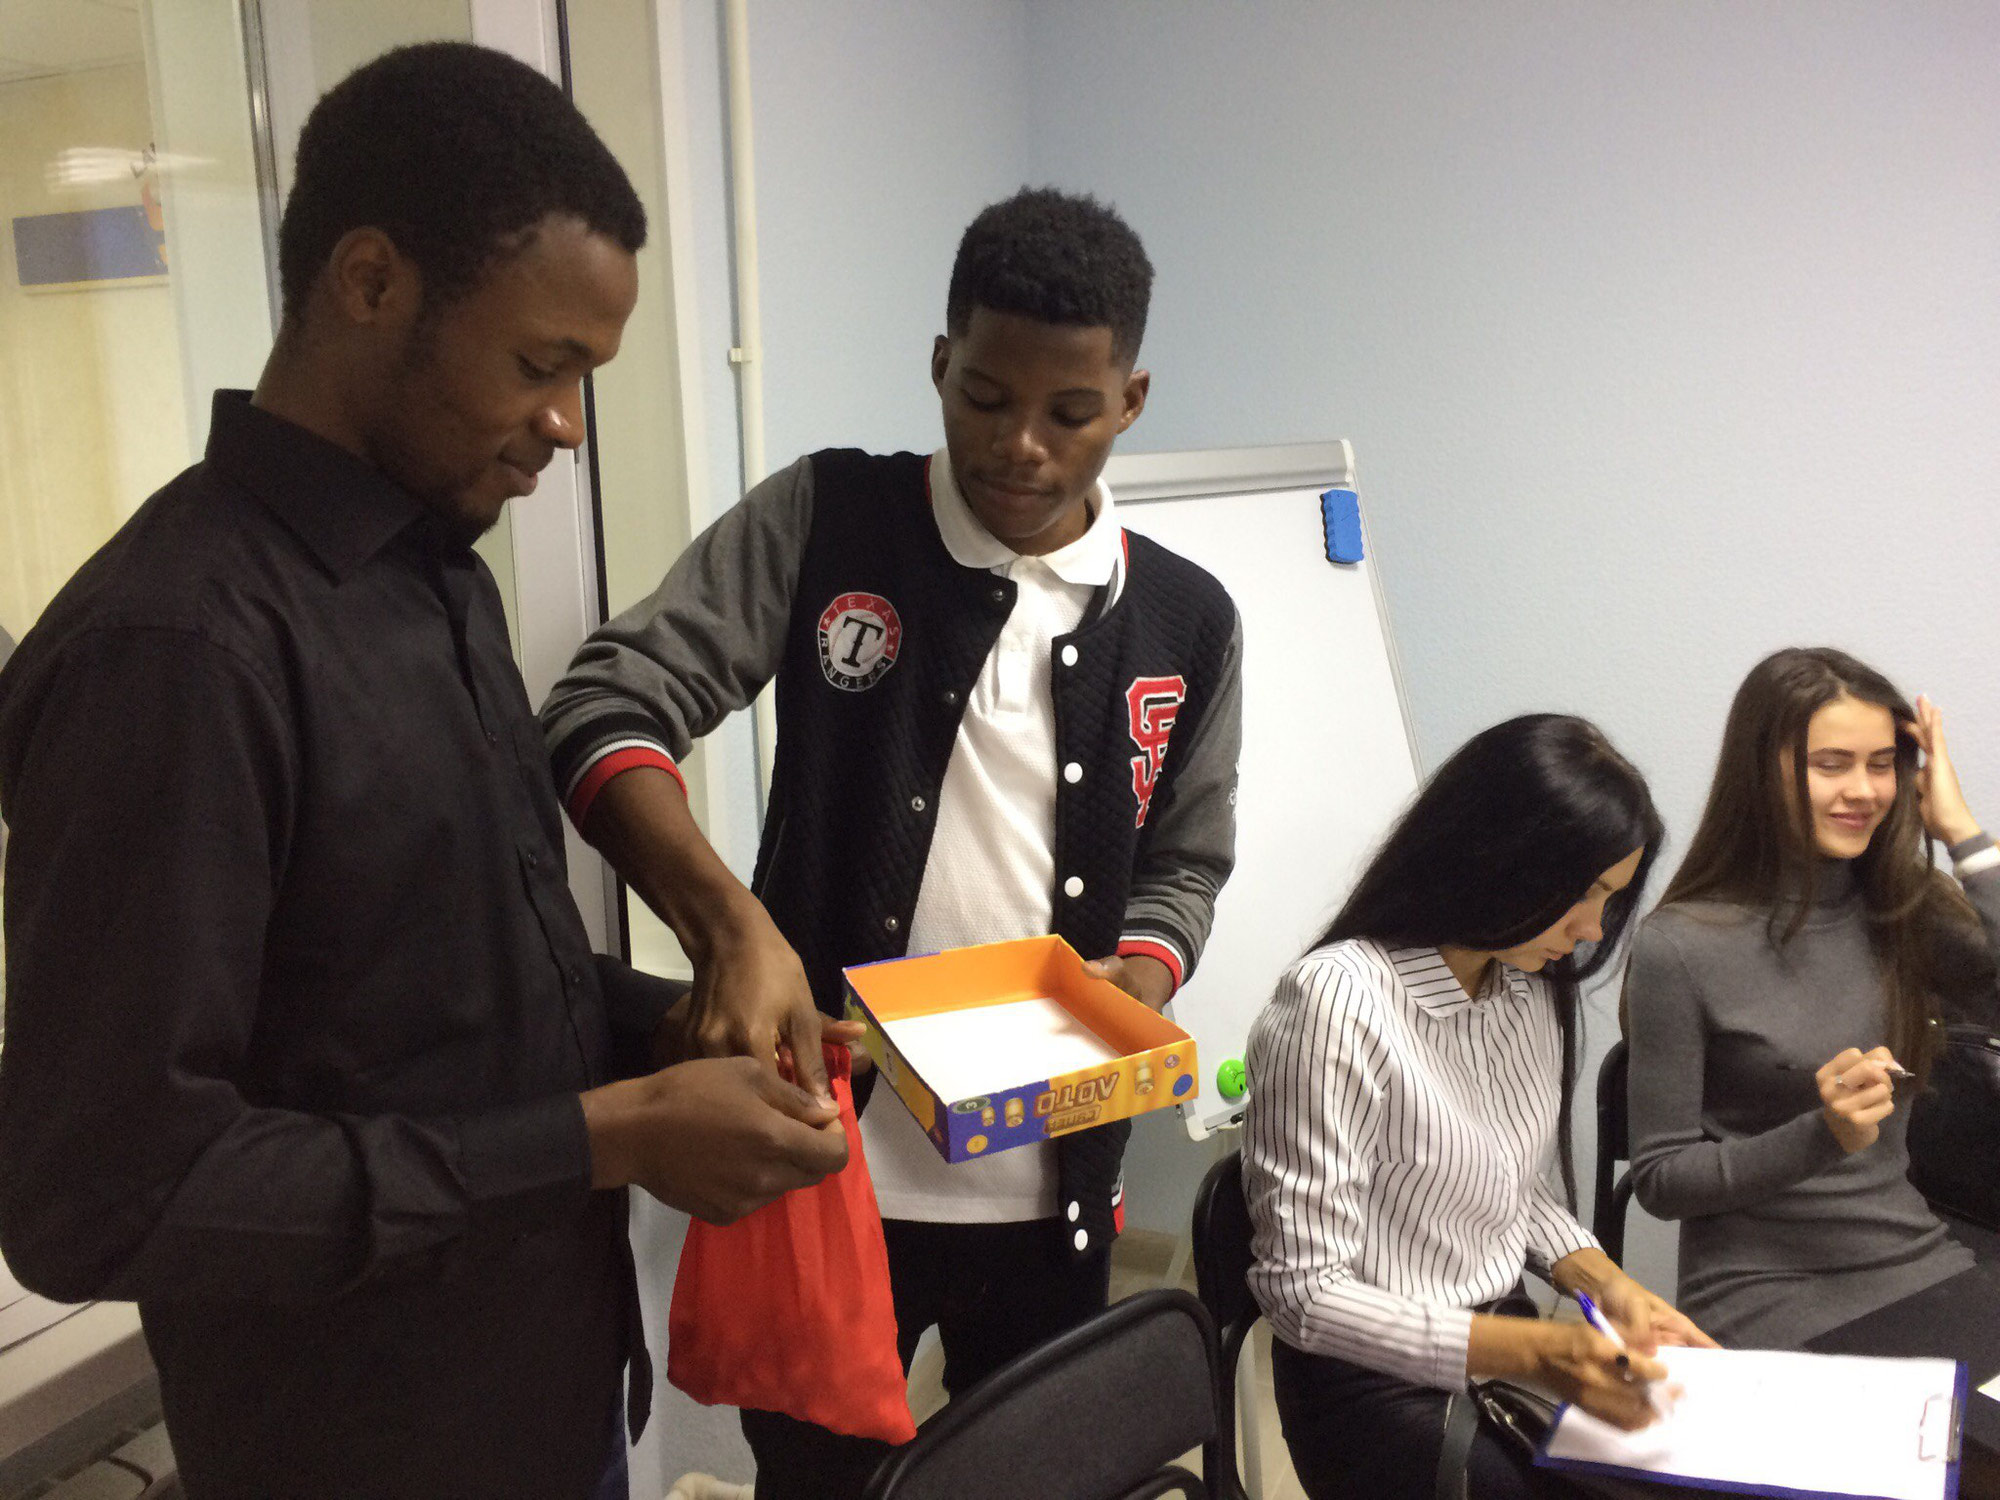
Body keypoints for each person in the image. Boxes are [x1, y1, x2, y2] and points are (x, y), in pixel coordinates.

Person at [0, 43, 846, 1500]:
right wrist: (601, 1140)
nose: (567, 425)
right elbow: (99, 1196)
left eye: (585, 378)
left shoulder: (438, 580)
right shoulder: (178, 652)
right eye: (539, 366)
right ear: (371, 282)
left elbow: (440, 998)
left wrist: (678, 1031)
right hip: (358, 1447)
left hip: (551, 1397)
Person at [541, 186, 1243, 1498]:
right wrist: (730, 930)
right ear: (938, 363)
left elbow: (1187, 860)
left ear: (1130, 402)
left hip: (1051, 1189)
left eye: (1069, 412)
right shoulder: (830, 523)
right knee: (816, 1482)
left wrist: (1137, 979)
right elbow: (600, 706)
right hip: (825, 1167)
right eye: (984, 396)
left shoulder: (1187, 620)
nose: (1019, 445)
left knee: (1036, 1481)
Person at [1244, 714, 1712, 1500]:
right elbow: (1303, 1295)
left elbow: (1508, 1185)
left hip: (1498, 1344)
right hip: (1369, 1383)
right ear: (1497, 854)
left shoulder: (1524, 985)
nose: (1592, 929)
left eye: (1610, 898)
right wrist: (1537, 1353)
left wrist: (1606, 1283)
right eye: (1584, 893)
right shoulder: (1337, 1000)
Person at [1624, 647, 1999, 1349]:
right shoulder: (1680, 944)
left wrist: (1963, 836)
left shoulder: (1907, 906)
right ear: (1761, 771)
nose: (1864, 790)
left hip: (1916, 1264)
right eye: (1832, 764)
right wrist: (1823, 1134)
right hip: (1762, 1293)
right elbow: (1662, 1179)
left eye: (1882, 764)